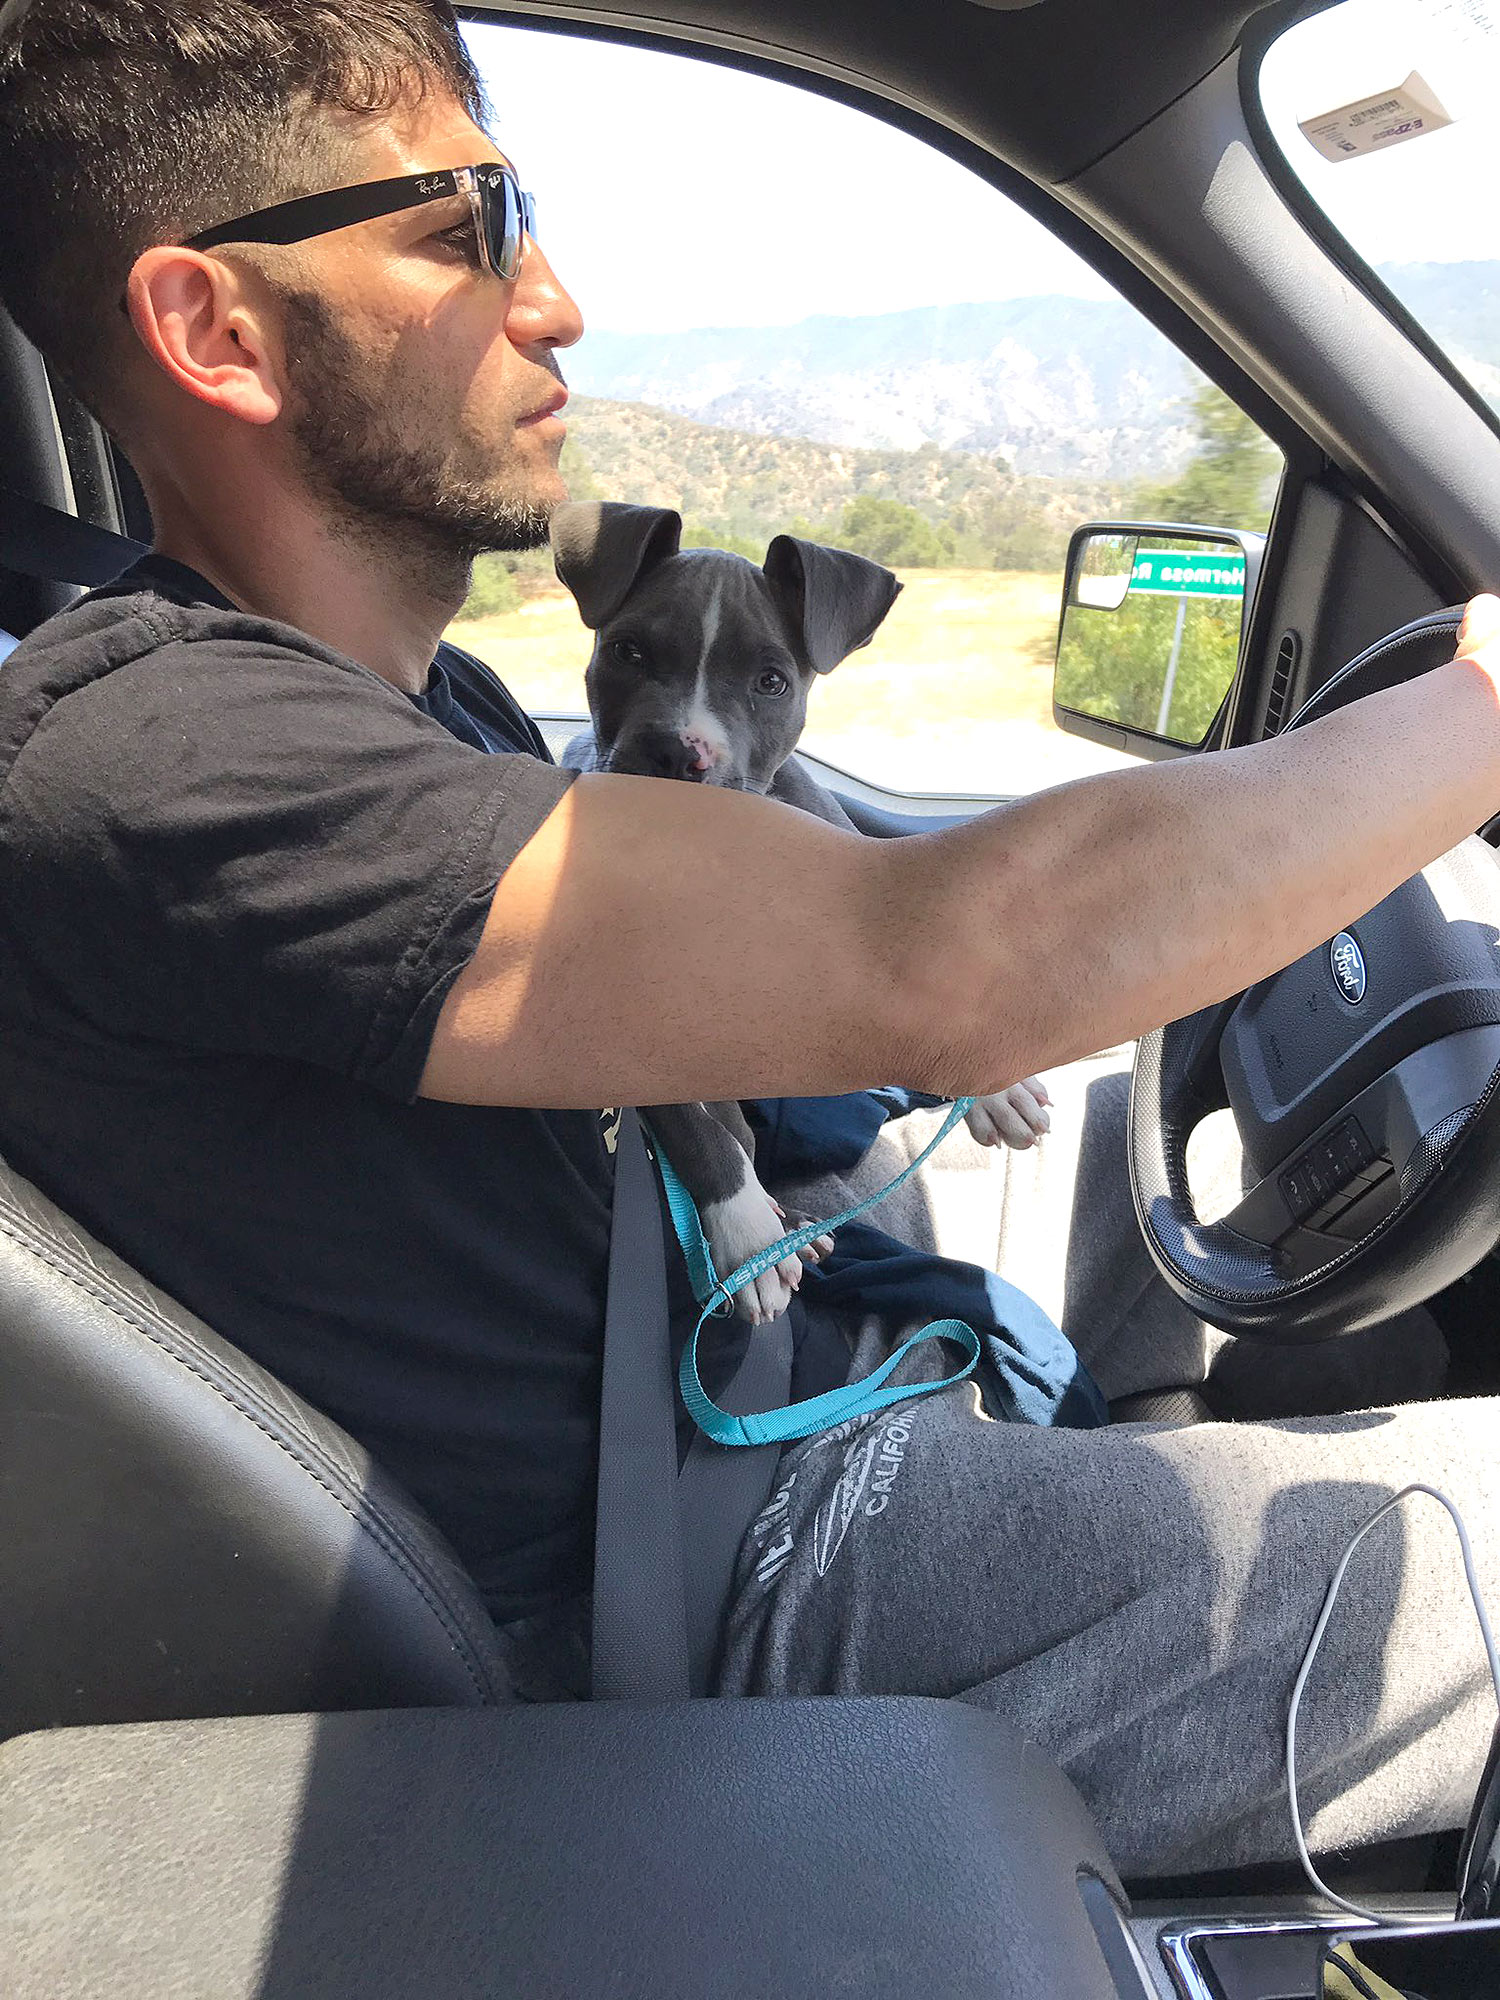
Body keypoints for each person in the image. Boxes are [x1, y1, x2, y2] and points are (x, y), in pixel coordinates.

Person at [0, 0, 1497, 1879]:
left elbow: (834, 909)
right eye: (466, 229)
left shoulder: (422, 706)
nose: (555, 300)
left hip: (730, 1393)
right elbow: (952, 967)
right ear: (216, 329)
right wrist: (1479, 711)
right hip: (727, 1571)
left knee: (1135, 1146)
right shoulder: (163, 752)